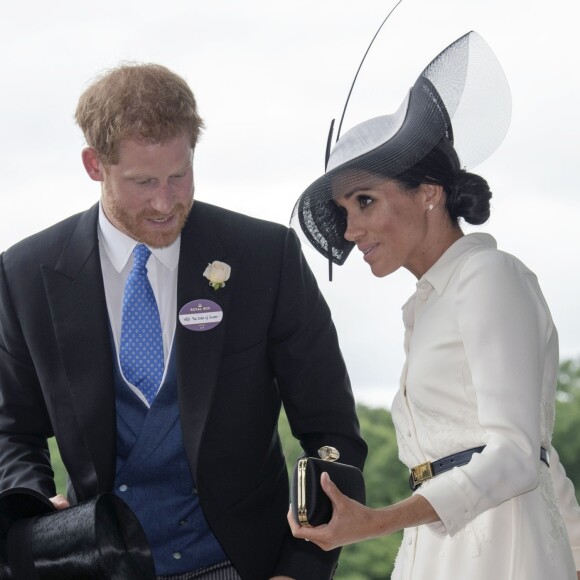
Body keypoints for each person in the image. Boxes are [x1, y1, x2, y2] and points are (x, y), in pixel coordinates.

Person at [0, 63, 367, 580]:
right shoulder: (24, 275)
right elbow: (11, 431)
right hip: (98, 567)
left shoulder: (267, 257)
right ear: (93, 164)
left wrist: (300, 568)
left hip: (247, 566)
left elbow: (332, 433)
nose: (165, 202)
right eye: (143, 181)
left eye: (180, 175)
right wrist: (37, 517)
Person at [288, 31, 580, 579]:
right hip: (439, 546)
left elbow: (518, 455)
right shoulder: (425, 306)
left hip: (499, 548)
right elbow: (540, 457)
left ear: (429, 192)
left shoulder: (489, 277)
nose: (350, 231)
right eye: (343, 210)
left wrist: (377, 521)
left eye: (365, 201)